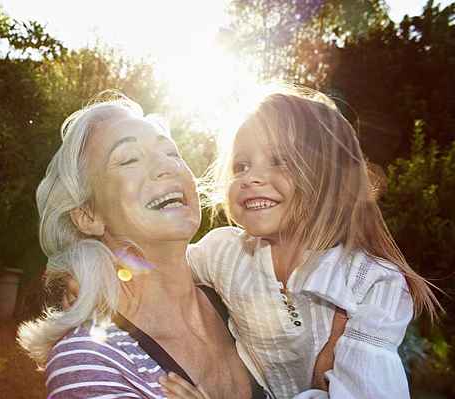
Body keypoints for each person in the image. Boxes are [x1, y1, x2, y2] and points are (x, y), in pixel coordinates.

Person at [160, 85, 441, 399]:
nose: (251, 178)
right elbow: (155, 269)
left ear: (329, 180)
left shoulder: (371, 284)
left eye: (280, 160)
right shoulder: (224, 252)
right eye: (241, 166)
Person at [17, 92, 265, 398]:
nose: (166, 167)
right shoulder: (89, 360)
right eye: (129, 159)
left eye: (172, 153)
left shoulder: (245, 299)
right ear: (88, 215)